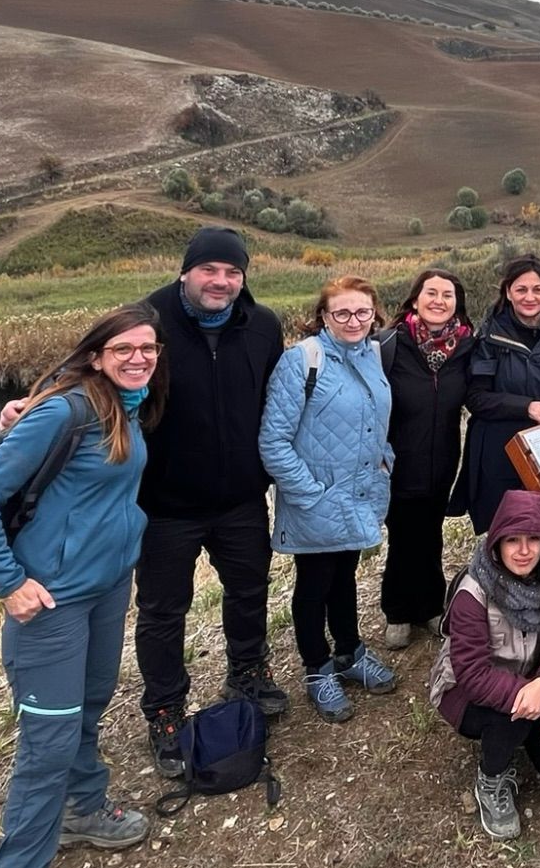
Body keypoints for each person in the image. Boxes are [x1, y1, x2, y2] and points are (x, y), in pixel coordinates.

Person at [0, 304, 164, 868]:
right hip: (48, 604)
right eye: (126, 348)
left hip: (106, 588)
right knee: (45, 745)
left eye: (150, 348)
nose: (141, 357)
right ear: (96, 354)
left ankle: (84, 808)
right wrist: (9, 583)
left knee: (93, 702)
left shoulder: (126, 405)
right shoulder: (64, 411)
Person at [133, 229, 287, 771]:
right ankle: (165, 709)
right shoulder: (145, 321)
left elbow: (279, 397)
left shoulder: (264, 325)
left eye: (233, 272)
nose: (221, 281)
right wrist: (27, 407)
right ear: (186, 272)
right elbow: (89, 372)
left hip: (241, 497)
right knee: (161, 611)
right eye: (209, 270)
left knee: (249, 590)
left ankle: (247, 671)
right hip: (165, 504)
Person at [258, 276, 399, 722]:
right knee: (314, 583)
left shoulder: (373, 354)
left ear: (374, 314)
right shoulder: (302, 360)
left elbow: (376, 423)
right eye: (342, 313)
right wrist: (310, 494)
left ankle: (350, 652)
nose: (353, 320)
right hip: (316, 498)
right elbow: (273, 442)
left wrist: (385, 462)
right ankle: (317, 668)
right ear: (324, 316)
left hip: (359, 493)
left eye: (362, 312)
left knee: (344, 576)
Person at [428, 489, 540, 842]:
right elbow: (471, 673)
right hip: (467, 693)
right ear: (497, 542)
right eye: (513, 540)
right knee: (511, 719)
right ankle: (491, 778)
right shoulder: (473, 592)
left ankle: (527, 726)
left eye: (534, 539)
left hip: (532, 681)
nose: (524, 550)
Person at [456, 255, 540, 535]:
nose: (530, 297)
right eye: (521, 289)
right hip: (500, 450)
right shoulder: (489, 337)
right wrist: (526, 407)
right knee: (507, 531)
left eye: (538, 289)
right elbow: (476, 398)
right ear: (508, 292)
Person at [379, 270, 475, 649]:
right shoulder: (389, 344)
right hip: (397, 460)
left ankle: (432, 606)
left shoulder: (465, 347)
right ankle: (398, 611)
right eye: (430, 292)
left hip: (443, 457)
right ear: (415, 299)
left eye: (447, 294)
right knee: (403, 534)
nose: (438, 300)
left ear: (457, 303)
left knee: (430, 531)